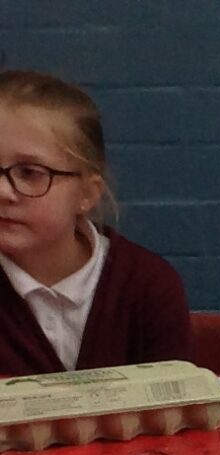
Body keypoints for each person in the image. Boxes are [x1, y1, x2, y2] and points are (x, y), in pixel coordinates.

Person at [0, 69, 189, 377]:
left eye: (30, 173)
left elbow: (175, 401)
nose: (3, 191)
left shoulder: (148, 285)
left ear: (86, 194)